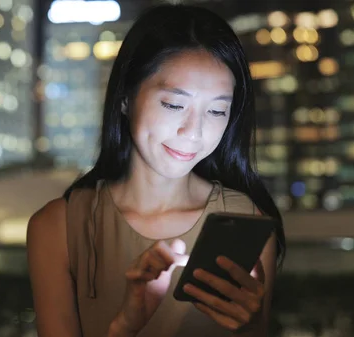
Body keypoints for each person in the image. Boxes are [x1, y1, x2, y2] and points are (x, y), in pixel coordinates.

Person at [27, 3, 286, 336]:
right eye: (174, 105)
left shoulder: (246, 220)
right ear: (125, 96)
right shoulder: (59, 228)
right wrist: (125, 326)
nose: (194, 132)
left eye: (217, 111)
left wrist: (251, 327)